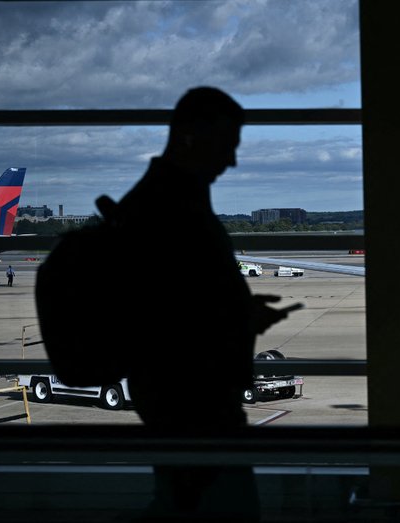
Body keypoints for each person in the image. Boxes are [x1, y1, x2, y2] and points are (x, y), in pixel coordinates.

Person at [115, 86, 290, 522]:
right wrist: (236, 319)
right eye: (226, 146)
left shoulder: (166, 200)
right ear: (193, 137)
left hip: (186, 400)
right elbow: (167, 319)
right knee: (214, 505)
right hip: (192, 404)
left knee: (185, 503)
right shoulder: (171, 208)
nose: (231, 161)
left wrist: (238, 315)